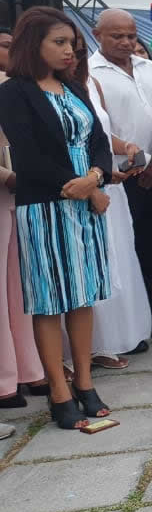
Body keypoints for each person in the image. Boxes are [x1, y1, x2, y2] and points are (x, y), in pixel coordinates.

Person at [0, 6, 114, 430]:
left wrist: (96, 178)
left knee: (82, 296)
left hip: (85, 204)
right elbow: (29, 157)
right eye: (60, 43)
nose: (70, 51)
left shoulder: (74, 87)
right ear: (35, 43)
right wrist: (83, 185)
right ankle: (59, 390)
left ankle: (84, 382)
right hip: (45, 206)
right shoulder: (14, 92)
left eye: (72, 44)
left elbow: (100, 141)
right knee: (50, 301)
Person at [88, 10, 152, 339]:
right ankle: (137, 319)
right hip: (119, 176)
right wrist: (137, 162)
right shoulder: (89, 73)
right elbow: (97, 129)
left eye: (131, 35)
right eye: (117, 36)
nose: (127, 42)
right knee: (129, 248)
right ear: (97, 33)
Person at [77, 34, 151, 367]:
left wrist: (127, 149)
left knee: (119, 258)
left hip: (110, 183)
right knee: (94, 262)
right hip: (81, 186)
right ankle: (90, 346)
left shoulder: (90, 82)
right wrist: (97, 177)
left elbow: (101, 133)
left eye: (75, 46)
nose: (71, 52)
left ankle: (121, 336)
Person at [0, 28, 48, 411]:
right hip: (10, 183)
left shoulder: (15, 86)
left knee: (18, 285)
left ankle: (29, 369)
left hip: (18, 193)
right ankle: (4, 380)